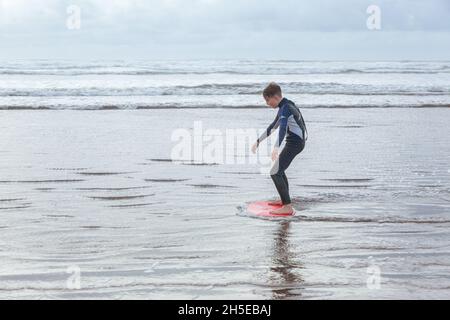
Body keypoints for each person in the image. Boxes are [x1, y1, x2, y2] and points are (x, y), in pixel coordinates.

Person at [252, 82, 308, 215]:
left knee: (275, 172)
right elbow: (273, 126)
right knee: (279, 171)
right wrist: (258, 141)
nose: (267, 103)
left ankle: (287, 206)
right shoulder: (286, 105)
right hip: (296, 142)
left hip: (295, 144)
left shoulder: (286, 108)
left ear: (275, 97)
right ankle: (285, 201)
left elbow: (282, 128)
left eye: (267, 100)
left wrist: (276, 148)